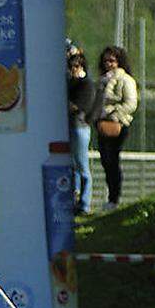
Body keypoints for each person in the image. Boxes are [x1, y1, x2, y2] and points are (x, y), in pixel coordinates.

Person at [93, 45, 138, 209]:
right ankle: (111, 196)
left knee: (113, 160)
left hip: (118, 124)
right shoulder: (101, 81)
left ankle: (114, 197)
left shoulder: (126, 80)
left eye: (112, 61)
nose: (108, 64)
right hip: (102, 124)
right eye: (105, 61)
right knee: (106, 161)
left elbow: (131, 103)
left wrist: (114, 113)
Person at [67, 52, 96, 214]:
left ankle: (85, 202)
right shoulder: (71, 83)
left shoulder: (86, 84)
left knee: (82, 164)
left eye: (76, 67)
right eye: (70, 67)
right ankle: (75, 198)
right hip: (71, 126)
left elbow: (80, 106)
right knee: (73, 165)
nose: (73, 70)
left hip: (80, 127)